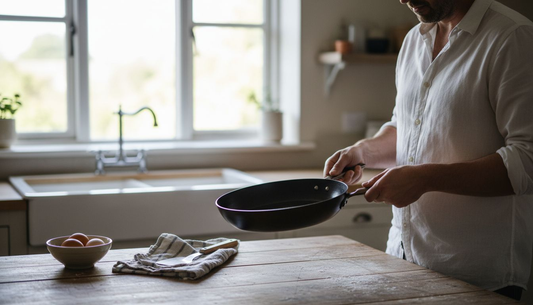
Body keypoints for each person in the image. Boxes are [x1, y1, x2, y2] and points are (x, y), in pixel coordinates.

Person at [323, 0, 533, 301]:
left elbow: (527, 160)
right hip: (401, 257)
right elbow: (407, 128)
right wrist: (362, 152)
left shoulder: (513, 37)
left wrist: (424, 179)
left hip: (475, 272)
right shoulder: (413, 40)